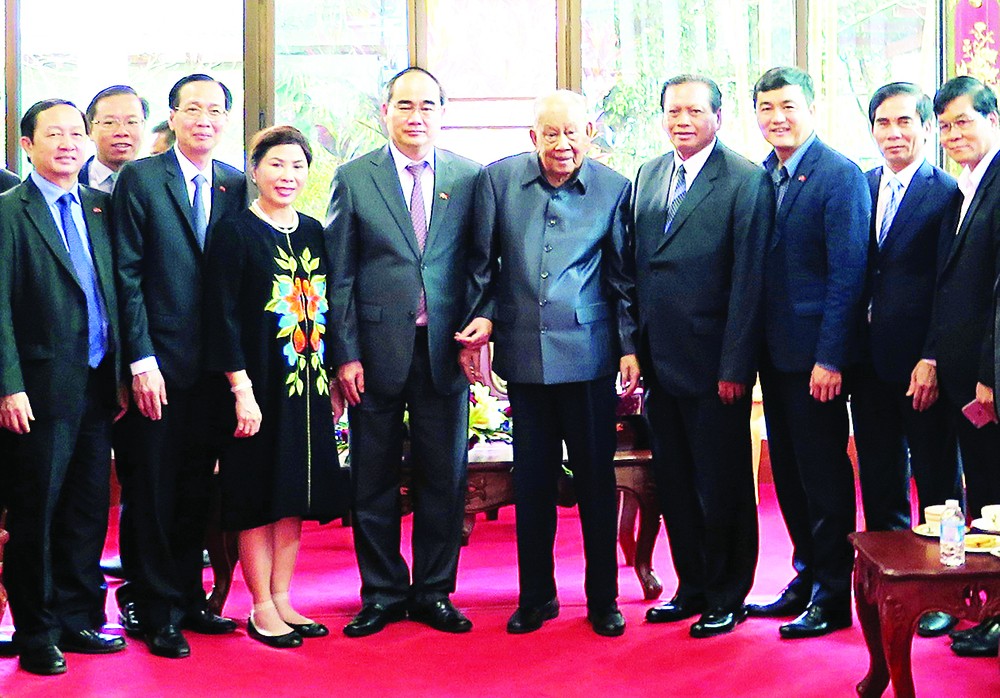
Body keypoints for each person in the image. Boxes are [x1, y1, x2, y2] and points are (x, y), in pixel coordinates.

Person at [460, 89, 640, 637]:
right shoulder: (498, 182)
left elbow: (622, 277)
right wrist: (483, 320)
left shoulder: (614, 188)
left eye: (574, 132)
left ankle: (603, 599)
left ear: (592, 132)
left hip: (589, 356)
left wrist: (629, 345)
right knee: (532, 483)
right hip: (523, 355)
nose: (563, 145)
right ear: (533, 136)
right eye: (552, 134)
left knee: (593, 482)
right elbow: (481, 266)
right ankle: (536, 597)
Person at [325, 67, 483, 637]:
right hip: (373, 349)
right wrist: (344, 354)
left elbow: (479, 265)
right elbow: (339, 275)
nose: (416, 116)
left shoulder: (468, 177)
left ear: (443, 111)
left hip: (446, 350)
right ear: (385, 110)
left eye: (427, 106)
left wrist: (478, 327)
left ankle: (435, 590)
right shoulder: (354, 177)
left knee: (446, 474)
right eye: (404, 105)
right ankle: (383, 592)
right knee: (372, 476)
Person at [112, 73, 248, 659]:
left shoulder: (236, 184)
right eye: (193, 109)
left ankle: (191, 600)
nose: (205, 120)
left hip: (215, 369)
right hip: (158, 367)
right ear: (172, 116)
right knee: (153, 487)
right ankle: (155, 606)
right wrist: (140, 360)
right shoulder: (141, 179)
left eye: (215, 111)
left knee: (198, 486)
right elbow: (127, 275)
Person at [633, 75, 772, 637]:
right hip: (658, 364)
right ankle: (690, 586)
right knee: (675, 483)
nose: (681, 120)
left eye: (694, 110)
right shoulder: (648, 174)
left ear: (718, 115)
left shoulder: (745, 180)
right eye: (672, 111)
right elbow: (636, 263)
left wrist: (736, 367)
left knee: (723, 485)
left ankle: (727, 593)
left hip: (717, 367)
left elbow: (750, 282)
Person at [204, 125, 349, 649]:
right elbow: (219, 317)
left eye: (297, 166)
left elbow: (328, 309)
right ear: (255, 168)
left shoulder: (313, 230)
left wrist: (332, 376)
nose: (287, 176)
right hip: (255, 386)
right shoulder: (234, 231)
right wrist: (240, 388)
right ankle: (259, 605)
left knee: (294, 492)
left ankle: (284, 596)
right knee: (254, 493)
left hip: (306, 386)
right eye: (276, 165)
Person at [0, 99, 125, 675]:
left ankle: (79, 618)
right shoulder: (9, 212)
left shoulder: (100, 206)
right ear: (28, 145)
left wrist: (126, 371)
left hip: (99, 383)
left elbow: (116, 295)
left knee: (85, 510)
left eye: (77, 133)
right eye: (55, 134)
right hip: (38, 389)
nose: (69, 143)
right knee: (37, 513)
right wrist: (8, 385)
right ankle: (36, 630)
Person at [745, 66, 869, 639]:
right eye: (767, 107)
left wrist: (832, 357)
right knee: (790, 476)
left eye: (788, 106)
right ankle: (804, 574)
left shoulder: (838, 175)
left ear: (812, 108)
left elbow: (849, 275)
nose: (778, 117)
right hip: (775, 355)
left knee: (821, 475)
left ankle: (833, 593)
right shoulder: (765, 175)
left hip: (817, 360)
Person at [848, 82, 961, 638]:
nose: (893, 134)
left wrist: (933, 357)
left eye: (904, 123)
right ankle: (894, 577)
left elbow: (949, 285)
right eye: (883, 124)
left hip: (922, 365)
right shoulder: (860, 186)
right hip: (867, 365)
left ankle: (943, 589)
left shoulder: (946, 194)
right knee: (880, 476)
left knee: (938, 475)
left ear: (924, 129)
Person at [924, 76, 1000, 659]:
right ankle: (986, 609)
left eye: (964, 121)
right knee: (984, 495)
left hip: (987, 380)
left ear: (992, 118)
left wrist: (989, 375)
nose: (953, 135)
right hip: (959, 375)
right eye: (945, 125)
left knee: (998, 496)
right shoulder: (962, 188)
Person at [80, 85, 148, 193]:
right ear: (89, 129)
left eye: (132, 122)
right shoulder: (71, 182)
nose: (121, 132)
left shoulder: (160, 184)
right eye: (109, 123)